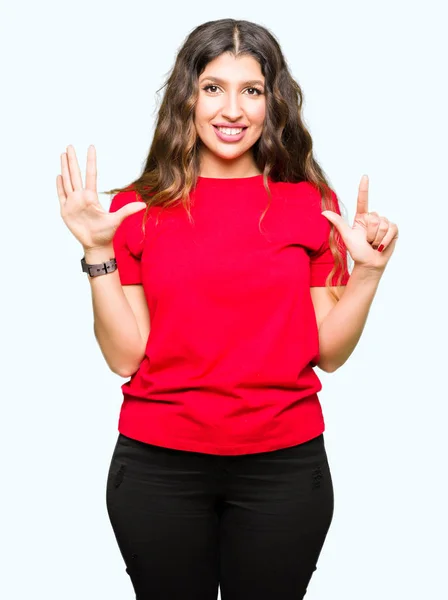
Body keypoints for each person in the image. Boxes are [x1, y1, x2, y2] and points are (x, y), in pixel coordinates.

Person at [56, 18, 399, 600]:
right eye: (213, 87)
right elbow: (123, 356)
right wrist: (97, 250)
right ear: (186, 97)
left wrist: (367, 273)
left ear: (273, 102)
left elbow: (330, 354)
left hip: (284, 467)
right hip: (158, 466)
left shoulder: (310, 204)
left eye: (252, 90)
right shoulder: (137, 209)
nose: (232, 109)